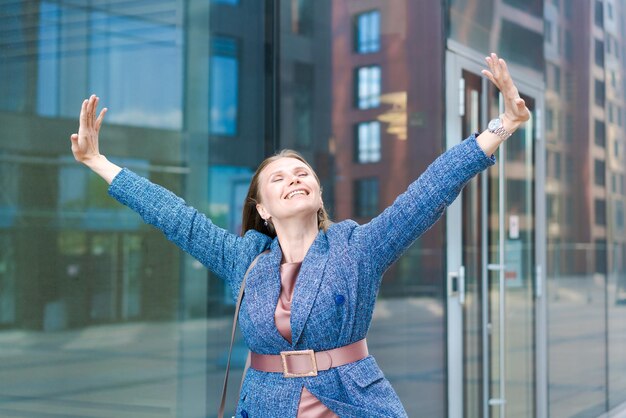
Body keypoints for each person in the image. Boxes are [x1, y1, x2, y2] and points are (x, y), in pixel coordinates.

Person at [70, 53, 529, 417]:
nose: (293, 178)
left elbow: (430, 191)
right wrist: (97, 163)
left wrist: (503, 125)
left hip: (351, 404)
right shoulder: (244, 259)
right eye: (278, 178)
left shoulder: (356, 248)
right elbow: (175, 217)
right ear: (262, 209)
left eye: (301, 172)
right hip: (267, 407)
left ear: (318, 192)